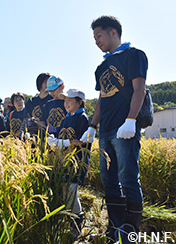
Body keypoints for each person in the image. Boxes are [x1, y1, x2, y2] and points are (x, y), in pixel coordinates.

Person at [80, 16, 148, 243]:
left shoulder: (134, 55)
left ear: (113, 33)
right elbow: (101, 98)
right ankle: (115, 227)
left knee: (128, 178)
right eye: (94, 37)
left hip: (125, 128)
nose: (96, 41)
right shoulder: (101, 66)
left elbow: (139, 89)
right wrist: (92, 126)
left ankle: (130, 232)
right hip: (106, 130)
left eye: (98, 35)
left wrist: (131, 119)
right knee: (109, 180)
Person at [47, 88, 91, 239]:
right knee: (66, 192)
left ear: (80, 102)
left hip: (77, 163)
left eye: (70, 100)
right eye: (65, 101)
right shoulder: (65, 119)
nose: (66, 103)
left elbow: (80, 142)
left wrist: (63, 142)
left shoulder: (82, 118)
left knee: (72, 193)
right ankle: (72, 224)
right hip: (65, 162)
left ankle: (77, 226)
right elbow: (61, 137)